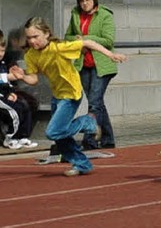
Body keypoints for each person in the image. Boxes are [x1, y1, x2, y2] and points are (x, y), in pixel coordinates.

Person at [10, 17, 126, 177]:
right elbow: (34, 80)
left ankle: (88, 122)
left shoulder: (59, 47)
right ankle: (82, 164)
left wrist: (109, 54)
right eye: (29, 38)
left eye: (35, 36)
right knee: (60, 136)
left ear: (46, 34)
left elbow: (87, 43)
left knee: (52, 132)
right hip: (57, 95)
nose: (32, 41)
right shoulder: (31, 55)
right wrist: (21, 76)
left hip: (71, 94)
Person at [64, 0, 118, 150]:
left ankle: (90, 140)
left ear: (94, 0)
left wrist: (86, 39)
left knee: (94, 103)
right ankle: (108, 139)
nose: (84, 3)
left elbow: (108, 40)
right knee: (97, 102)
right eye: (81, 0)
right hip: (83, 64)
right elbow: (67, 36)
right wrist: (78, 41)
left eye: (87, 0)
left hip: (101, 65)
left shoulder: (105, 15)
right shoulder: (75, 14)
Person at [0, 29, 38, 150]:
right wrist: (7, 77)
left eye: (2, 50)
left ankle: (23, 136)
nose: (1, 53)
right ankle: (10, 138)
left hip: (3, 95)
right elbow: (4, 78)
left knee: (23, 105)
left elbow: (7, 82)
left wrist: (10, 92)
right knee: (14, 110)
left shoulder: (3, 62)